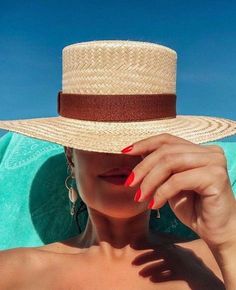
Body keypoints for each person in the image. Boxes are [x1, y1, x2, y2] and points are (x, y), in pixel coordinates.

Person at [0, 39, 236, 290]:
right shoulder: (11, 272)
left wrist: (229, 238)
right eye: (99, 140)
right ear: (70, 154)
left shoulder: (219, 258)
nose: (122, 155)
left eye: (143, 139)